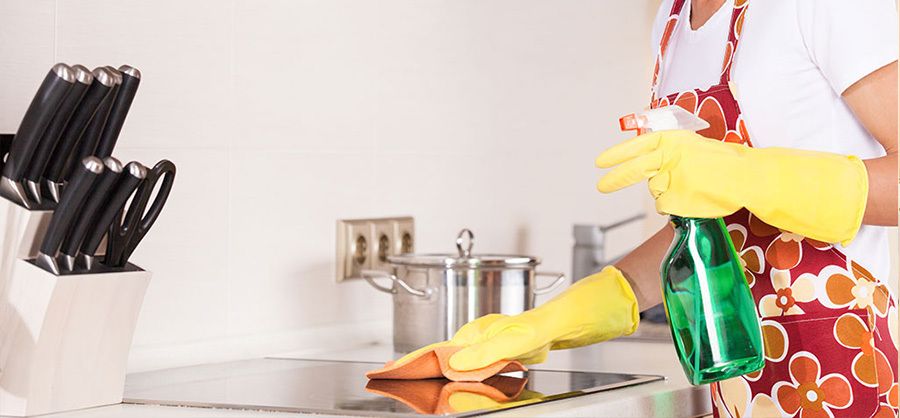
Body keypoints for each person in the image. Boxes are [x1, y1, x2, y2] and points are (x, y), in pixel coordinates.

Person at [397, 0, 899, 416]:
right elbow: (713, 231)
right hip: (740, 371)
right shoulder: (672, 23)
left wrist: (745, 173)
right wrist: (560, 317)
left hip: (837, 354)